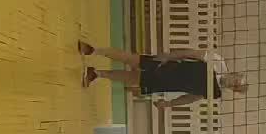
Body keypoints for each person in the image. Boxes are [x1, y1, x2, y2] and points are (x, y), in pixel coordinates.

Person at [78, 44, 247, 101]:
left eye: (235, 87)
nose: (233, 84)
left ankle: (97, 74)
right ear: (234, 74)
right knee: (131, 59)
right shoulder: (218, 62)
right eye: (235, 81)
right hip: (170, 66)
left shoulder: (216, 92)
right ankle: (94, 50)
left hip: (167, 83)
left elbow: (191, 97)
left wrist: (169, 104)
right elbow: (190, 53)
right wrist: (168, 56)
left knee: (132, 78)